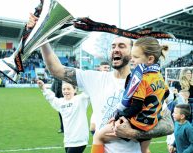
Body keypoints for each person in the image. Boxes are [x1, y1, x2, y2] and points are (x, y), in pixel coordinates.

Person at [27, 13, 174, 153]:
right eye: (113, 46)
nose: (116, 49)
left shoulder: (146, 83)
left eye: (122, 46)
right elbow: (56, 70)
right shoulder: (95, 78)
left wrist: (133, 132)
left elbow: (168, 125)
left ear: (133, 53)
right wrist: (41, 35)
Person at [91, 37, 170, 153]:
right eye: (132, 56)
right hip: (152, 122)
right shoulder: (159, 76)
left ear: (150, 59)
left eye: (136, 57)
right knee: (144, 148)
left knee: (98, 135)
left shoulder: (141, 79)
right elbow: (166, 93)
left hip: (138, 124)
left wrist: (118, 116)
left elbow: (136, 107)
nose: (132, 60)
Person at [37, 80, 90, 153]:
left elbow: (89, 89)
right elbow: (51, 98)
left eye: (68, 89)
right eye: (64, 89)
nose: (66, 91)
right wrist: (43, 87)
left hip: (79, 139)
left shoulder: (80, 100)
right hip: (68, 140)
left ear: (74, 90)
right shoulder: (61, 102)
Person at [90, 61, 110, 136]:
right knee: (92, 128)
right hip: (97, 108)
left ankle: (99, 142)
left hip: (107, 109)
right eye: (105, 67)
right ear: (100, 68)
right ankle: (97, 141)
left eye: (108, 68)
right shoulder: (95, 78)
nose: (107, 69)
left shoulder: (111, 79)